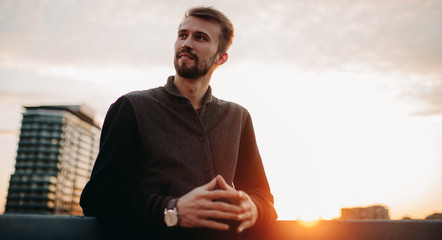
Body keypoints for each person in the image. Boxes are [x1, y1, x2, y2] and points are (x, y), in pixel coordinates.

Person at [80, 6, 277, 240]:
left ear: (221, 57)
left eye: (200, 37)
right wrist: (173, 209)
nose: (186, 43)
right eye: (183, 35)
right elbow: (99, 197)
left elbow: (262, 197)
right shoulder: (131, 107)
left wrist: (253, 209)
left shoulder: (238, 116)